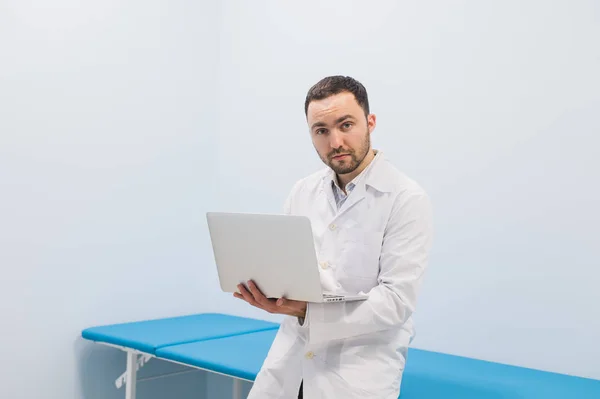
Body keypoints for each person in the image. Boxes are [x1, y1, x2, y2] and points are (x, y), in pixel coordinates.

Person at [235, 75, 434, 399]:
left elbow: (396, 303)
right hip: (290, 364)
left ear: (370, 122)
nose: (336, 142)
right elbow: (288, 271)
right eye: (322, 131)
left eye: (346, 125)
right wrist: (266, 289)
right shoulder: (303, 191)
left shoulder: (406, 198)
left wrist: (306, 311)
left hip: (356, 375)